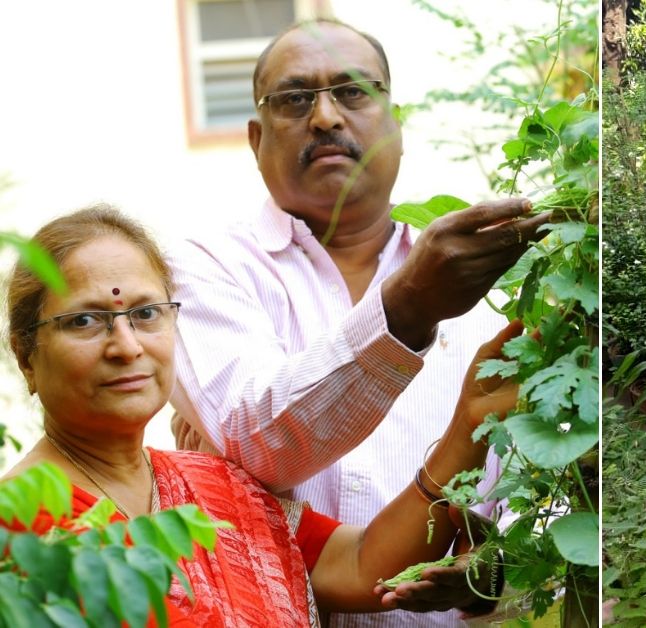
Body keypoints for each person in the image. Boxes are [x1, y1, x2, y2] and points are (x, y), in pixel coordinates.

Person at [165, 19, 546, 626]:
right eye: (294, 99)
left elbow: (532, 487)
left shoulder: (491, 276)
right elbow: (256, 441)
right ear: (256, 138)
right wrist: (408, 310)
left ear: (396, 123)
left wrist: (490, 568)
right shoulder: (205, 269)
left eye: (352, 92)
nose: (324, 118)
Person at [2, 205, 522, 626]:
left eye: (144, 313)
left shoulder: (219, 485)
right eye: (86, 321)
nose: (126, 345)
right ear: (26, 353)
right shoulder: (17, 529)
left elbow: (366, 565)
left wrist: (469, 425)